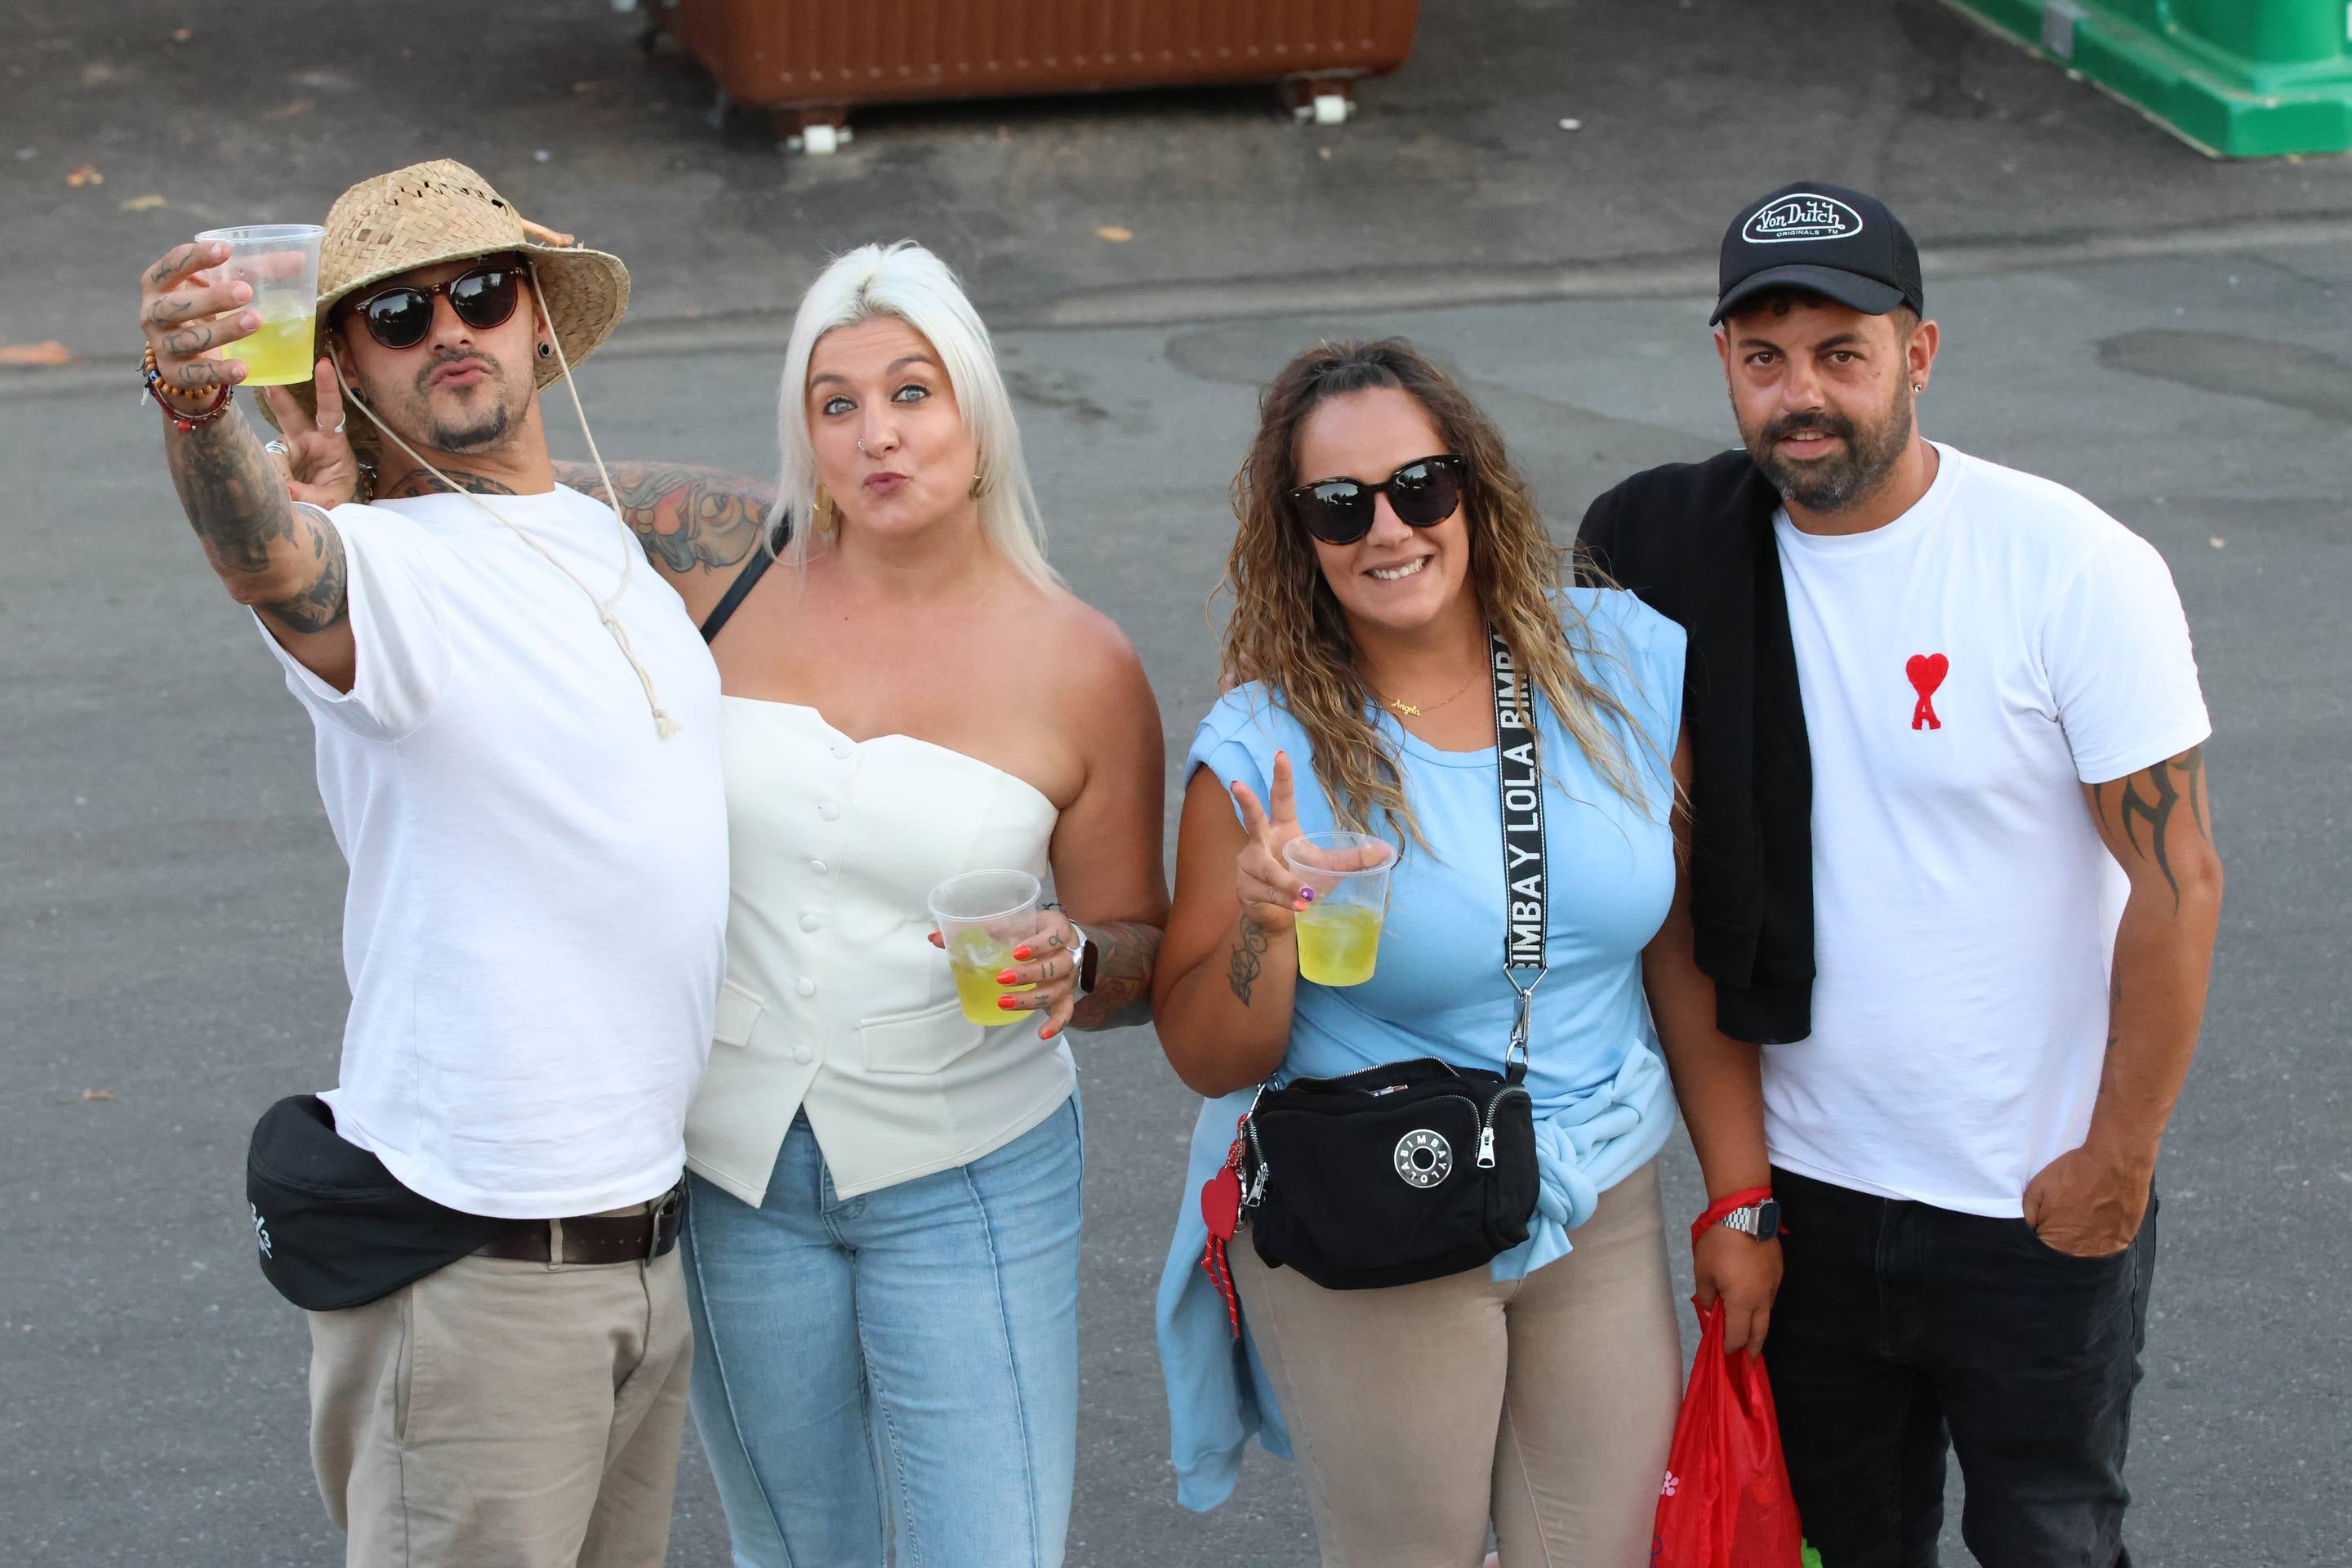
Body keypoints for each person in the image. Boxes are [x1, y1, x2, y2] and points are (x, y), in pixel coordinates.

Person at [1578, 181, 2222, 1567]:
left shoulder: (2069, 566)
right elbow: (1673, 891)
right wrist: (1739, 1194)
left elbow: (2180, 884)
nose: (1800, 395)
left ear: (1917, 355)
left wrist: (2118, 1162)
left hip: (2030, 1194)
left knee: (2054, 1539)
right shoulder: (1667, 561)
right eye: (1764, 359)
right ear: (1726, 368)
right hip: (1810, 1199)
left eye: (1839, 354)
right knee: (1842, 1547)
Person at [136, 159, 755, 1566]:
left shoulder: (604, 537)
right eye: (397, 317)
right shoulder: (387, 570)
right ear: (343, 361)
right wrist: (196, 402)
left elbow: (803, 512)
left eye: (480, 289)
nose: (449, 328)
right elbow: (268, 561)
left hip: (643, 1246)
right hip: (482, 1274)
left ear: (538, 316)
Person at [1151, 339, 1784, 1567]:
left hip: (1593, 1192)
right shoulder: (1263, 746)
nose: (1387, 529)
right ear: (1300, 537)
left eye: (1419, 487)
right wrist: (1264, 928)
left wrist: (1741, 1194)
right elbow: (1206, 1051)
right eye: (1339, 507)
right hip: (1390, 1203)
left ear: (1474, 489)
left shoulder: (1619, 665)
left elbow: (1680, 949)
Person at [672, 241, 1168, 1568]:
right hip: (731, 1166)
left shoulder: (1083, 664)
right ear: (806, 435)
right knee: (790, 1552)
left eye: (913, 392)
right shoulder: (718, 582)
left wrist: (1078, 961)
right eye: (837, 404)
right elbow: (511, 500)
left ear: (977, 416)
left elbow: (1138, 951)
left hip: (971, 1176)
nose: (878, 434)